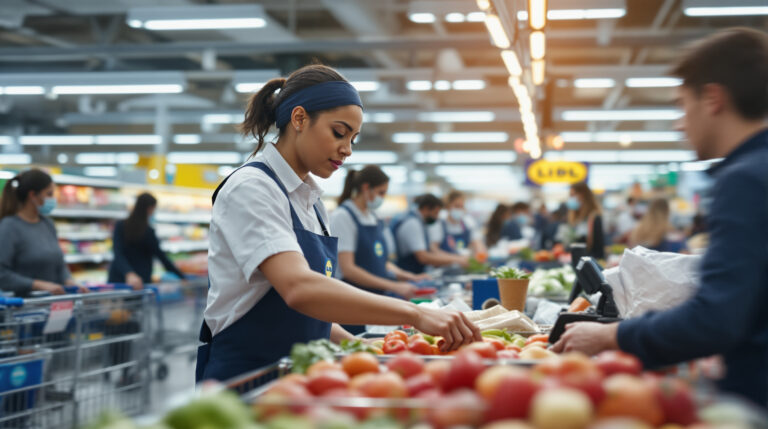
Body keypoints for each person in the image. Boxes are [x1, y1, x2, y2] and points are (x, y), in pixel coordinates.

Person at [197, 65, 480, 382]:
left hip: (299, 376)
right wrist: (415, 313)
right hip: (247, 380)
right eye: (339, 132)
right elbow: (299, 289)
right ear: (300, 119)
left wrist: (356, 345)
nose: (347, 149)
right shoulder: (252, 188)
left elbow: (308, 311)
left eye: (353, 139)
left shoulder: (313, 203)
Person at [552, 28, 768, 408]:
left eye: (682, 106)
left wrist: (611, 336)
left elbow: (716, 319)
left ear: (713, 99)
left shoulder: (746, 180)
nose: (679, 123)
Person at [330, 166, 427, 333]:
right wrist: (394, 286)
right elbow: (348, 269)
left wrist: (408, 276)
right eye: (381, 192)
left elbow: (382, 262)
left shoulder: (373, 217)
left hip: (377, 299)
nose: (383, 198)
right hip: (354, 303)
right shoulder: (343, 217)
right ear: (366, 188)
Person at [0, 169, 85, 297]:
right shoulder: (9, 227)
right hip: (22, 308)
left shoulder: (47, 224)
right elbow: (2, 274)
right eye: (49, 194)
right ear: (33, 195)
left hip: (52, 304)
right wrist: (38, 285)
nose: (53, 199)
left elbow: (59, 264)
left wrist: (69, 281)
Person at [108, 193, 186, 289]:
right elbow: (162, 257)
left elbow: (117, 253)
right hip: (139, 283)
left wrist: (128, 273)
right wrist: (182, 277)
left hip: (118, 279)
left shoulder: (120, 226)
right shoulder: (148, 232)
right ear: (149, 208)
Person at [391, 193, 469, 274]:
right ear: (426, 208)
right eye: (435, 213)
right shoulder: (413, 224)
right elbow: (423, 257)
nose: (436, 217)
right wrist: (457, 259)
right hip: (409, 274)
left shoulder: (419, 222)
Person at [429, 190, 486, 256]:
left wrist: (480, 254)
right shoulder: (438, 224)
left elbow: (478, 244)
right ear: (448, 206)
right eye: (457, 206)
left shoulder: (468, 223)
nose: (460, 209)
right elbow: (433, 249)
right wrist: (456, 259)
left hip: (464, 264)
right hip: (443, 265)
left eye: (462, 206)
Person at [565, 182, 605, 259]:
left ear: (583, 195)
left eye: (573, 195)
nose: (571, 198)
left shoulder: (594, 218)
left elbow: (598, 247)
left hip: (590, 261)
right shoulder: (575, 218)